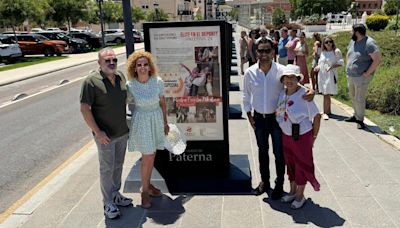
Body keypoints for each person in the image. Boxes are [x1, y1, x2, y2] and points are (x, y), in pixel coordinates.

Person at [242, 39, 315, 199]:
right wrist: (248, 114)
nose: (264, 54)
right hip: (259, 118)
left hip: (277, 120)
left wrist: (310, 90)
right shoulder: (250, 72)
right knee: (262, 151)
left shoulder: (281, 71)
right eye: (260, 51)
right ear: (256, 53)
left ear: (273, 52)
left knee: (279, 153)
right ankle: (264, 182)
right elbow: (246, 95)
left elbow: (295, 84)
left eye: (267, 51)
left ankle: (279, 184)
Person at [80, 47, 132, 219]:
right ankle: (107, 202)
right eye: (107, 60)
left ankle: (116, 194)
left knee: (118, 166)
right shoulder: (91, 81)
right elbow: (85, 109)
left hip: (121, 132)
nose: (111, 63)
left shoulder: (120, 77)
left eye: (114, 60)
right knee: (106, 168)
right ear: (99, 63)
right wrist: (98, 132)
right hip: (105, 136)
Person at [126, 50, 169, 208]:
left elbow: (163, 103)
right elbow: (123, 103)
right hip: (142, 122)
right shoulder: (130, 85)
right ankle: (144, 192)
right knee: (147, 157)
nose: (143, 67)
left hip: (156, 120)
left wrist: (165, 123)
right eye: (139, 65)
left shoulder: (157, 81)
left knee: (152, 156)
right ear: (134, 68)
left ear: (150, 67)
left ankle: (148, 185)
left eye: (145, 64)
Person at [275, 64, 321, 209]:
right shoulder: (283, 94)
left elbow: (317, 116)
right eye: (286, 77)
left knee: (302, 164)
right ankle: (293, 191)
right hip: (287, 134)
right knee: (291, 163)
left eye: (292, 77)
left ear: (298, 79)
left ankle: (300, 195)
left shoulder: (304, 95)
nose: (289, 80)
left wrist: (313, 136)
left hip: (302, 135)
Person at [345, 24, 381, 129]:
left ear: (357, 32)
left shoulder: (369, 43)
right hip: (351, 75)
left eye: (352, 31)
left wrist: (367, 73)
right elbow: (349, 54)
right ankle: (356, 115)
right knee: (352, 96)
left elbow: (377, 59)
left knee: (359, 98)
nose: (350, 33)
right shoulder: (353, 41)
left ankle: (360, 120)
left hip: (361, 76)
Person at [314, 37, 344, 120]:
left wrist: (332, 66)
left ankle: (324, 112)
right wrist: (317, 67)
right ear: (324, 44)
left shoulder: (336, 51)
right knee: (325, 93)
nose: (328, 43)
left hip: (330, 74)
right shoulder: (323, 52)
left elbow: (341, 63)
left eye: (330, 42)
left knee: (326, 94)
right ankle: (328, 111)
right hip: (322, 74)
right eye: (326, 42)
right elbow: (320, 63)